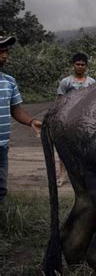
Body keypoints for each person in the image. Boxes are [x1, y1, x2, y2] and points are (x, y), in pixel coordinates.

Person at [0, 36, 42, 204]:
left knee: (1, 189)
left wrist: (32, 121)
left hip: (2, 147)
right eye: (1, 52)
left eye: (6, 52)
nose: (5, 56)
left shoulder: (10, 81)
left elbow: (15, 110)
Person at [56, 52, 96, 186]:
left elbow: (95, 101)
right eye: (77, 64)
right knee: (65, 147)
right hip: (68, 119)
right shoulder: (66, 82)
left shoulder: (91, 82)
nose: (80, 67)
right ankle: (62, 174)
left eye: (82, 65)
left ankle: (85, 175)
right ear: (73, 65)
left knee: (85, 147)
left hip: (85, 119)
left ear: (86, 66)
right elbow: (60, 101)